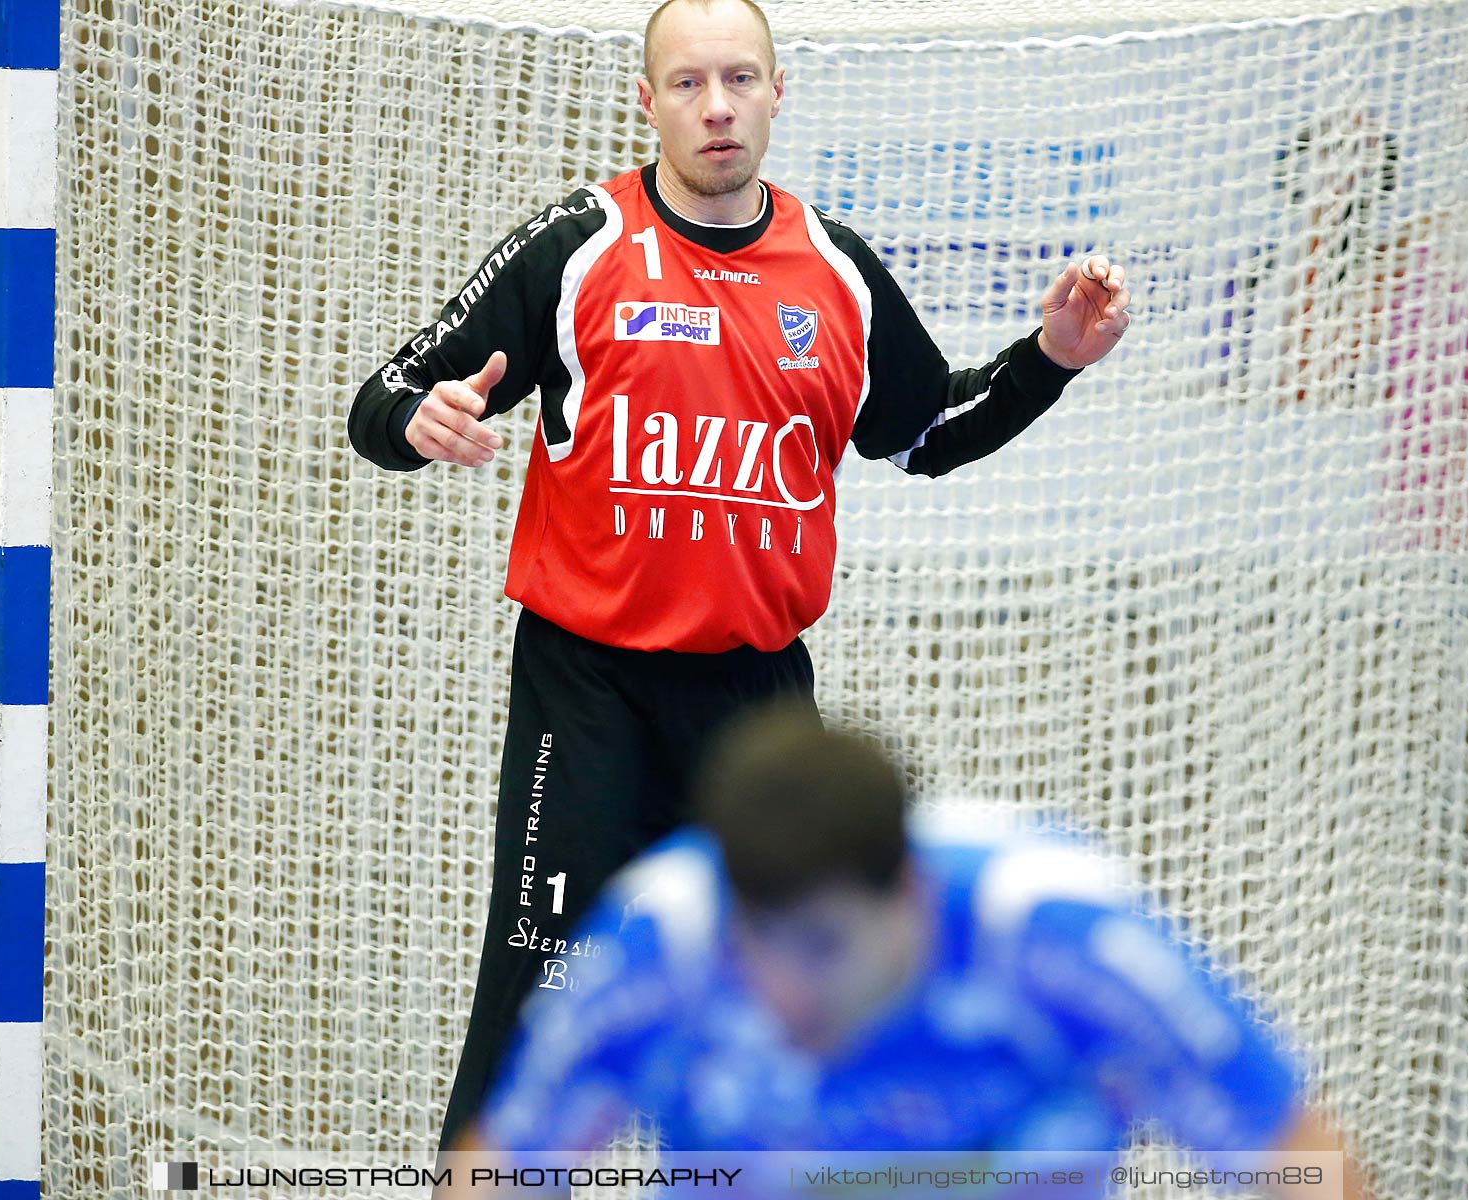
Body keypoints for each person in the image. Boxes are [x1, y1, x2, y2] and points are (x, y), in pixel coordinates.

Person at [347, 0, 1132, 1149]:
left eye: (739, 80)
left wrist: (1049, 360)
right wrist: (419, 418)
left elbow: (924, 433)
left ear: (777, 91)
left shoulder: (835, 273)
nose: (716, 107)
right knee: (540, 1003)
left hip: (758, 706)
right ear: (647, 99)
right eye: (687, 83)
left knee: (785, 1006)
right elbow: (386, 393)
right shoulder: (578, 246)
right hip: (589, 695)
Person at [448, 708, 1371, 1200]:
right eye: (754, 947)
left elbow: (1295, 1156)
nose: (782, 993)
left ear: (912, 895)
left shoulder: (1058, 942)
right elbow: (503, 1172)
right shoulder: (662, 946)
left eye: (821, 945)